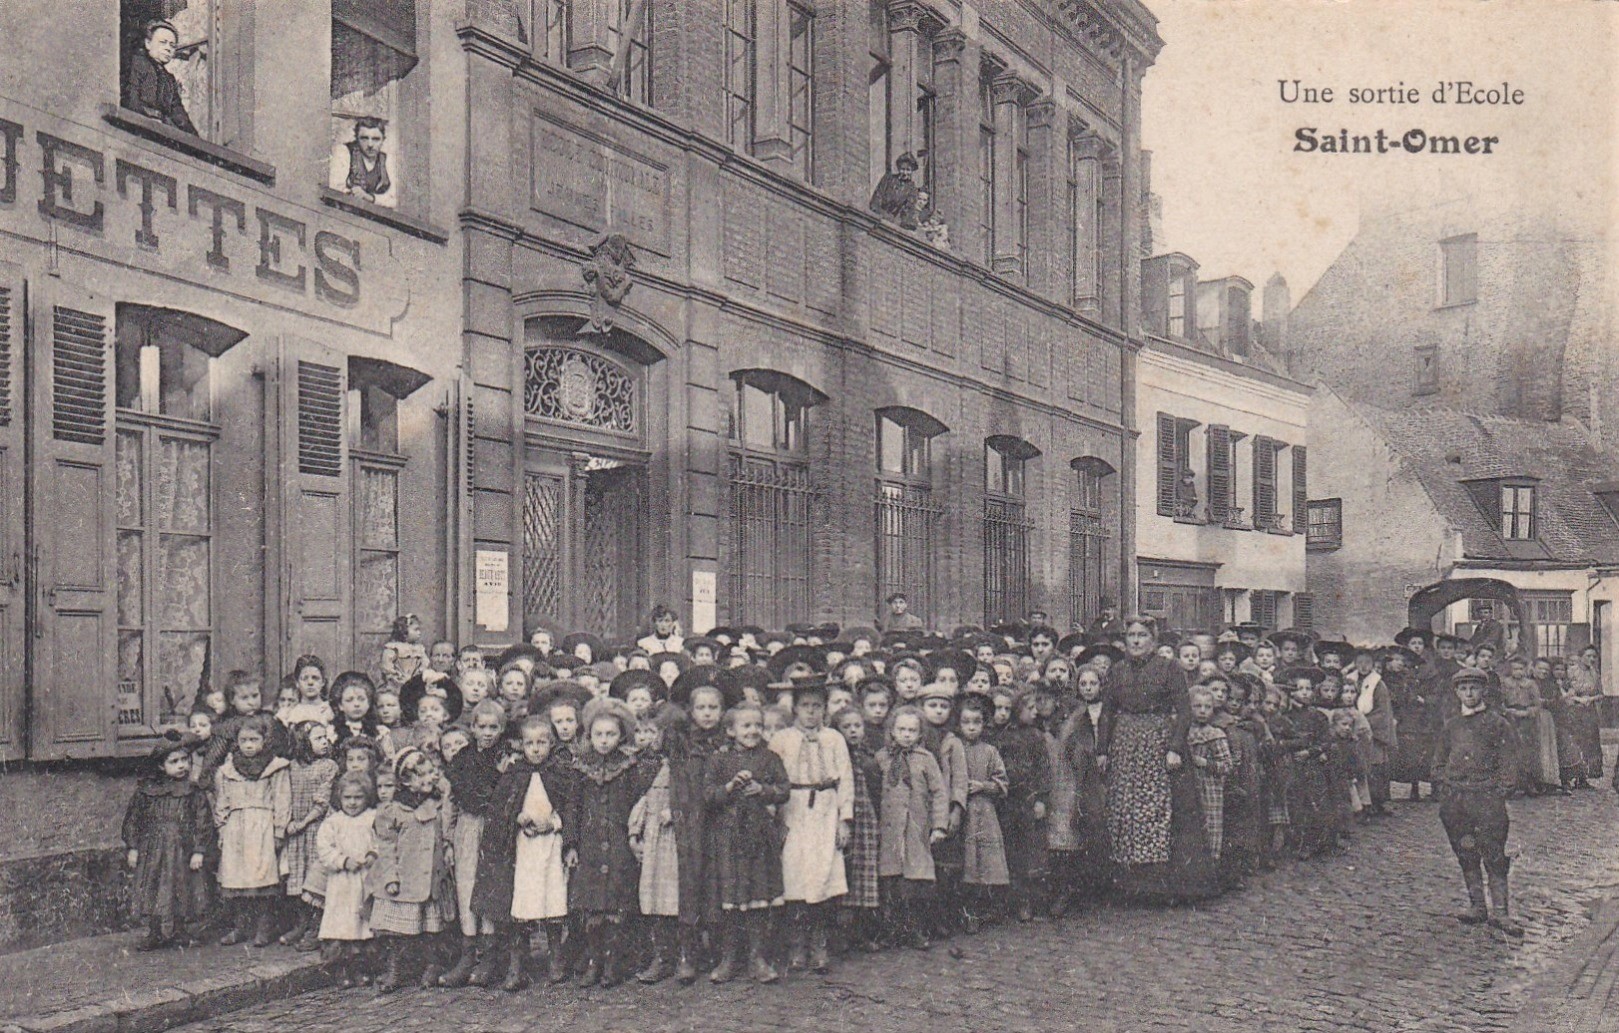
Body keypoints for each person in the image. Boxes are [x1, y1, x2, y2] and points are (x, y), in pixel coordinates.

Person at [1095, 617, 1220, 901]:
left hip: (1159, 743)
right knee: (1124, 809)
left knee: (1158, 809)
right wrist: (1102, 749)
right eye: (1131, 635)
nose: (1136, 640)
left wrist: (1175, 747)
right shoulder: (1117, 670)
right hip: (1125, 744)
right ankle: (1127, 883)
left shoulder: (1169, 668)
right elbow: (1107, 712)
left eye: (1142, 635)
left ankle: (1157, 884)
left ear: (1153, 640)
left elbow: (1184, 711)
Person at [473, 714, 577, 990]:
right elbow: (501, 809)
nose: (536, 749)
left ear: (551, 743)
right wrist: (518, 818)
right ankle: (517, 963)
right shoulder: (514, 774)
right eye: (530, 743)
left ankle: (556, 958)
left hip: (551, 845)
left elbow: (570, 807)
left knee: (553, 900)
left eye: (542, 742)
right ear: (521, 745)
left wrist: (554, 823)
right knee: (522, 903)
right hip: (523, 848)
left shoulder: (559, 773)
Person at [566, 698, 657, 987]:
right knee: (592, 905)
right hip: (590, 846)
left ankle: (613, 962)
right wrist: (571, 845)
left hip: (619, 846)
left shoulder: (629, 767)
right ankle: (594, 961)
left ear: (621, 736)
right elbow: (573, 808)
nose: (604, 740)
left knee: (617, 904)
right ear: (589, 736)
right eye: (599, 734)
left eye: (611, 734)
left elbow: (639, 806)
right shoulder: (581, 768)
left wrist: (636, 836)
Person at [704, 702, 791, 983]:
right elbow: (708, 795)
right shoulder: (719, 760)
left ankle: (757, 958)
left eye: (758, 725)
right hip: (729, 838)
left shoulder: (770, 758)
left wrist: (762, 790)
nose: (753, 731)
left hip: (759, 837)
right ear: (731, 730)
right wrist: (730, 786)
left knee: (758, 897)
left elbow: (784, 790)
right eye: (746, 726)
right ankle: (728, 958)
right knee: (731, 899)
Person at [770, 678, 854, 973]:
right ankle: (797, 944)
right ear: (794, 708)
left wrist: (844, 820)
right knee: (794, 876)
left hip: (825, 811)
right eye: (805, 706)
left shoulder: (834, 739)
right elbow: (772, 779)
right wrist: (777, 819)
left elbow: (845, 780)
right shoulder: (782, 739)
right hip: (793, 809)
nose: (811, 712)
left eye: (817, 706)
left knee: (822, 876)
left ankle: (820, 943)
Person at [1433, 667, 1523, 936]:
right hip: (1456, 800)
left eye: (1474, 688)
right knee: (1465, 851)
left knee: (1494, 852)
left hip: (1486, 799)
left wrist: (1502, 789)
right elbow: (1438, 760)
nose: (1469, 693)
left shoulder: (1498, 723)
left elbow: (1509, 759)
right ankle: (1477, 906)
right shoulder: (1451, 725)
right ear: (1457, 692)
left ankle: (1501, 913)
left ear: (1484, 690)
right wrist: (1444, 785)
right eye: (1463, 689)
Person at [438, 701, 509, 988]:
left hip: (494, 827)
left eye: (494, 727)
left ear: (501, 729)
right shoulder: (462, 760)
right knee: (466, 886)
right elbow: (451, 802)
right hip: (467, 827)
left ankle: (489, 958)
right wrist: (448, 840)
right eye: (482, 727)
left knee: (488, 887)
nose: (488, 733)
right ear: (473, 728)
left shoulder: (505, 758)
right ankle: (467, 956)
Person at [122, 733, 212, 950]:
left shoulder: (193, 791)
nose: (181, 765)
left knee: (181, 886)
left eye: (185, 760)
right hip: (152, 850)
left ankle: (180, 931)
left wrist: (199, 850)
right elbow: (133, 820)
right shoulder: (146, 792)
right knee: (152, 886)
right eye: (174, 761)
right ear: (161, 766)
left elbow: (203, 821)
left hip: (182, 849)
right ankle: (154, 932)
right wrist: (133, 847)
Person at [874, 706, 949, 950]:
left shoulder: (925, 759)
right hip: (889, 829)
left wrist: (939, 826)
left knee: (916, 881)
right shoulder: (882, 758)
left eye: (912, 730)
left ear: (920, 733)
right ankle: (892, 930)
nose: (906, 735)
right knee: (892, 880)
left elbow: (939, 793)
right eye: (902, 729)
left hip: (916, 827)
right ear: (892, 731)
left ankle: (915, 929)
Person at [215, 715, 293, 948]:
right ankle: (241, 926)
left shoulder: (275, 767)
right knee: (237, 878)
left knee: (263, 878)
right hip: (236, 830)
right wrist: (222, 828)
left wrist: (279, 831)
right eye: (244, 740)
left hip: (262, 828)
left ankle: (264, 927)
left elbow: (282, 799)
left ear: (264, 740)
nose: (248, 745)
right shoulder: (228, 770)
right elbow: (222, 800)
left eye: (254, 740)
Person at [279, 721, 339, 952]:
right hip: (295, 829)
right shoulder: (291, 767)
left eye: (325, 737)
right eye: (318, 738)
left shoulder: (329, 766)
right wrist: (288, 823)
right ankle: (301, 924)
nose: (324, 742)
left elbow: (322, 801)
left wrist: (303, 823)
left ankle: (316, 928)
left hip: (316, 827)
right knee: (298, 878)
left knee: (315, 881)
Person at [316, 771, 379, 989]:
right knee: (341, 925)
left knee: (362, 926)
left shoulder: (372, 818)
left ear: (367, 797)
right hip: (341, 883)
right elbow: (324, 850)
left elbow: (382, 841)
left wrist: (373, 854)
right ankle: (341, 969)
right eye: (347, 798)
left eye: (358, 797)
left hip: (365, 880)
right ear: (340, 797)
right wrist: (342, 861)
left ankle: (361, 968)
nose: (352, 803)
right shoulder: (333, 822)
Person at [956, 693, 1009, 932]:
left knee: (984, 861)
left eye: (976, 722)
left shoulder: (989, 751)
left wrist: (984, 786)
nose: (971, 727)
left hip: (984, 812)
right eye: (966, 722)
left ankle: (982, 909)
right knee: (965, 862)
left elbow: (1002, 782)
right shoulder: (955, 748)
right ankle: (965, 911)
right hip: (962, 811)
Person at [122, 20, 197, 134]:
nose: (168, 48)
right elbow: (130, 100)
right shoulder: (136, 64)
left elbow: (178, 114)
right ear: (148, 43)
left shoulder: (169, 79)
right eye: (163, 42)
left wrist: (194, 137)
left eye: (172, 45)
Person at [1185, 687, 1232, 862]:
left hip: (1210, 788)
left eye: (1207, 707)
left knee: (1210, 826)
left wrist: (1205, 763)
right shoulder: (1183, 731)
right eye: (1197, 706)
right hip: (1188, 786)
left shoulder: (1215, 734)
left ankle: (1211, 863)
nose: (1203, 711)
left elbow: (1227, 765)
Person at [329, 117, 398, 209]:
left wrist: (369, 198)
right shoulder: (345, 152)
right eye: (364, 138)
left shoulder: (386, 160)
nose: (370, 144)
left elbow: (394, 200)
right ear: (356, 138)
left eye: (376, 139)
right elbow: (335, 189)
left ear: (383, 140)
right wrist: (351, 192)